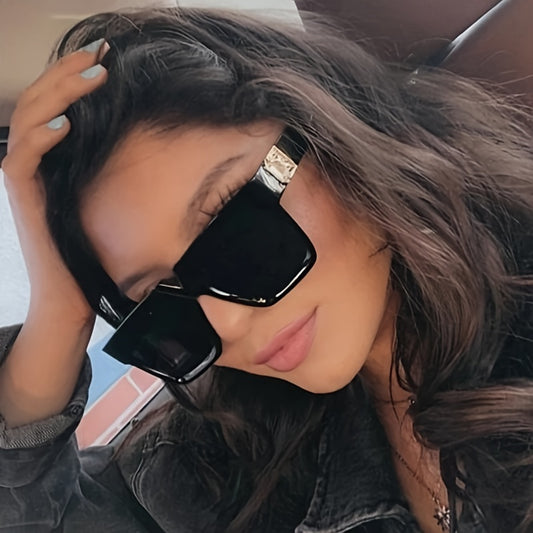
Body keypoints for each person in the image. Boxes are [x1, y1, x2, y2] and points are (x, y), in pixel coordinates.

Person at [0, 6, 532, 533]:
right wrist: (59, 315)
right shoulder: (224, 462)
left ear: (328, 130)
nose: (226, 322)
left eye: (233, 230)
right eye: (163, 301)